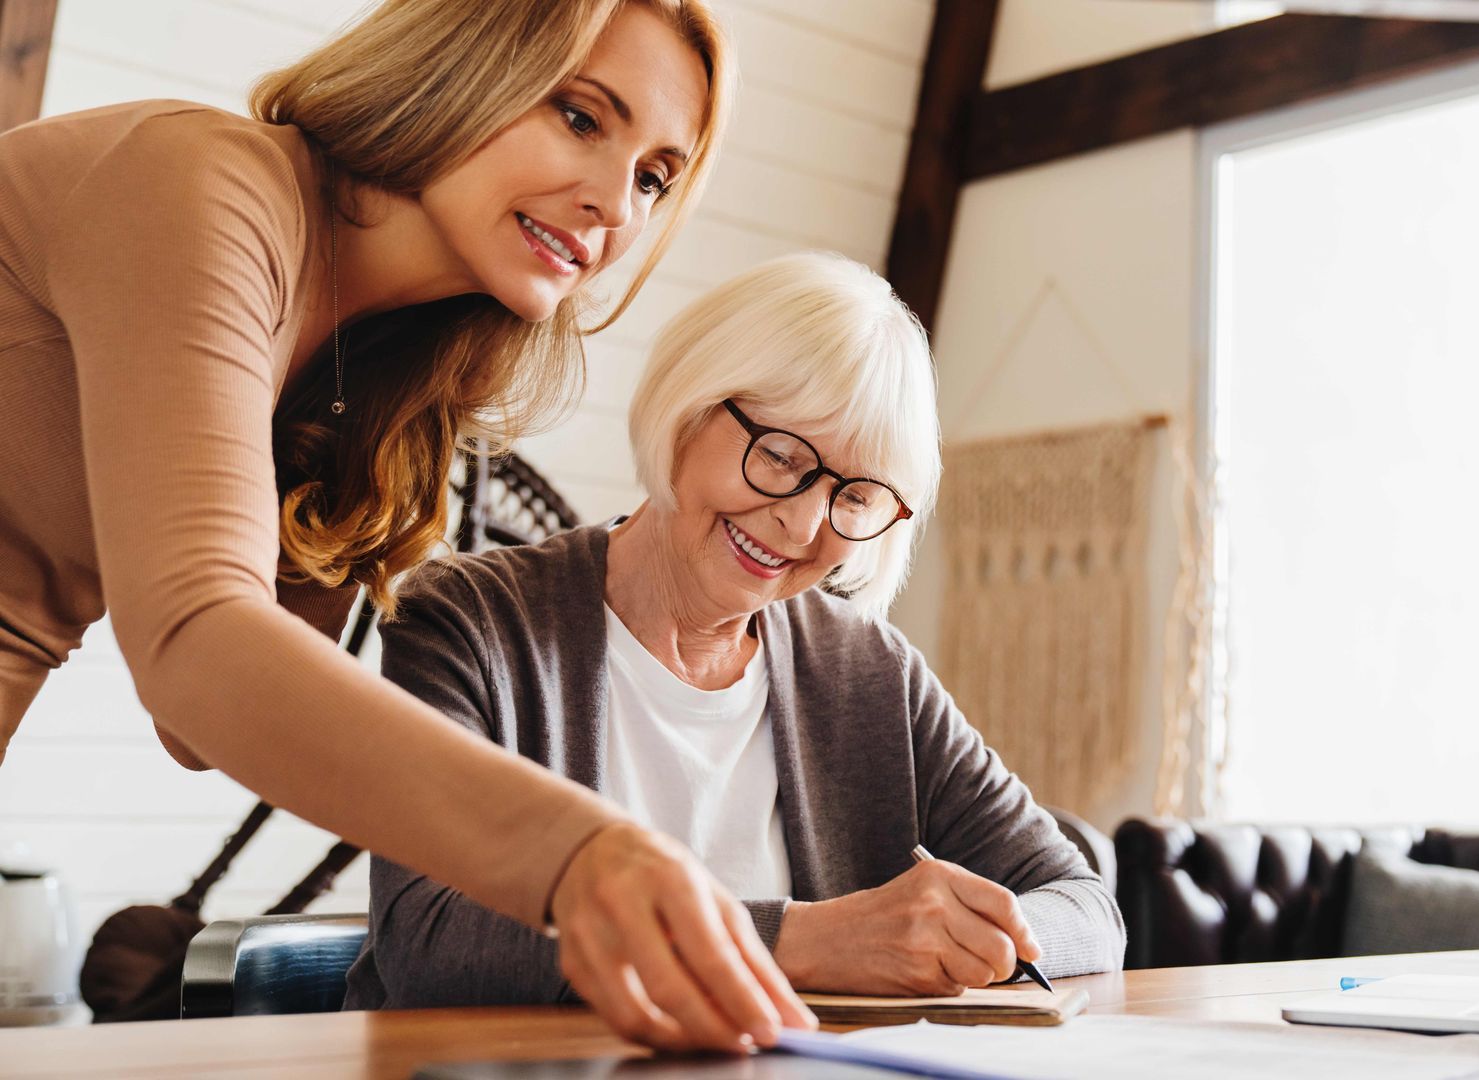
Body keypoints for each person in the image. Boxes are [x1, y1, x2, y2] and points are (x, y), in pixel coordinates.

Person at [0, 0, 813, 1052]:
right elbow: (194, 652)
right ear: (461, 65)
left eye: (656, 177)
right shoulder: (197, 184)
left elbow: (201, 735)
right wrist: (578, 852)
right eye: (579, 117)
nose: (614, 202)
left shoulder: (377, 378)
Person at [342, 252, 1127, 1009]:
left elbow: (1088, 909)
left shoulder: (867, 671)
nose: (802, 520)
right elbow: (429, 938)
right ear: (688, 409)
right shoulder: (470, 623)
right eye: (782, 456)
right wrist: (806, 939)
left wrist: (964, 940)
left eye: (854, 497)